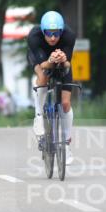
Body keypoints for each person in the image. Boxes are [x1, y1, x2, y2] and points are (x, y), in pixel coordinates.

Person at [26, 10, 76, 145]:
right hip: (40, 59)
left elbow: (67, 64)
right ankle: (38, 115)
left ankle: (67, 142)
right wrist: (51, 60)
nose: (53, 38)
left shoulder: (69, 36)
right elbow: (43, 64)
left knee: (65, 104)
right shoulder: (34, 36)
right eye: (49, 33)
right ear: (43, 31)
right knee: (43, 76)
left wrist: (63, 59)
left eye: (56, 33)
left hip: (60, 61)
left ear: (62, 31)